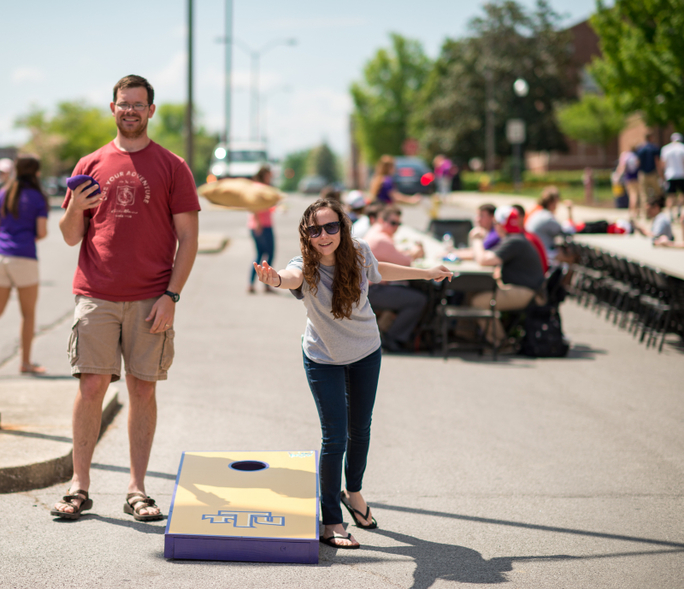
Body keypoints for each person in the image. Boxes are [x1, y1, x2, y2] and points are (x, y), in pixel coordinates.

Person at [253, 198, 452, 549]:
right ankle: (331, 521)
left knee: (361, 428)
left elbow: (380, 271)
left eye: (332, 227)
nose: (324, 235)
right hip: (323, 357)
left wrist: (427, 273)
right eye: (316, 230)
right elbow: (290, 278)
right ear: (307, 235)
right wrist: (273, 279)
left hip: (365, 351)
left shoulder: (359, 252)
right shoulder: (305, 266)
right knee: (335, 437)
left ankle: (354, 493)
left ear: (343, 229)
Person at [51, 75, 200, 521]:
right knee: (91, 385)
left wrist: (172, 294)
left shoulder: (172, 166)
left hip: (150, 298)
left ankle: (137, 488)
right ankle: (80, 485)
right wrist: (76, 206)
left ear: (151, 110)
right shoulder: (91, 162)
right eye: (123, 103)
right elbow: (69, 235)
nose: (130, 110)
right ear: (112, 108)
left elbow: (188, 239)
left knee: (142, 388)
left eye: (138, 104)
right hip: (95, 294)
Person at [0, 155, 49, 374]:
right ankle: (26, 363)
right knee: (28, 314)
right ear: (37, 173)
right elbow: (41, 232)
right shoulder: (38, 197)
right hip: (24, 257)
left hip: (1, 256)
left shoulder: (3, 193)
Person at [470, 205, 545, 345]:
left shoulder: (514, 241)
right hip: (525, 289)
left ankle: (500, 342)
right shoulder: (515, 238)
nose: (495, 227)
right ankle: (466, 335)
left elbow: (484, 260)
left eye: (496, 223)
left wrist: (476, 239)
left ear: (501, 225)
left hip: (527, 292)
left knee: (477, 302)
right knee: (473, 293)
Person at [365, 205, 428, 352]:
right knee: (418, 300)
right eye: (393, 223)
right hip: (373, 290)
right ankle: (393, 337)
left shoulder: (375, 234)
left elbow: (395, 256)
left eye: (398, 224)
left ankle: (393, 334)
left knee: (412, 295)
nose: (396, 227)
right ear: (381, 220)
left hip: (371, 288)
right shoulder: (382, 239)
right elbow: (405, 262)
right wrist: (415, 252)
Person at [525, 186, 575, 264]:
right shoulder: (547, 217)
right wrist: (569, 211)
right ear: (552, 203)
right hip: (542, 253)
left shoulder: (538, 213)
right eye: (557, 202)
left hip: (533, 251)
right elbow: (567, 231)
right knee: (572, 257)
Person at [247, 165, 276, 294]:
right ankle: (262, 284)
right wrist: (258, 223)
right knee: (267, 253)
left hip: (262, 224)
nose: (271, 177)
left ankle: (253, 283)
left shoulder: (262, 187)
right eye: (270, 175)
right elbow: (253, 206)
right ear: (265, 175)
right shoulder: (260, 188)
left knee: (262, 254)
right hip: (261, 225)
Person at [512, 203, 549, 274]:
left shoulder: (527, 238)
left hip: (533, 280)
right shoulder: (521, 236)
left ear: (522, 217)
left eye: (514, 217)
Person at [659, 132, 684, 221]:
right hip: (681, 174)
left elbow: (663, 164)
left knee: (670, 196)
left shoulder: (666, 149)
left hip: (670, 175)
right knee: (681, 194)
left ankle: (670, 214)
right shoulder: (682, 148)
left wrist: (662, 176)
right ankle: (679, 209)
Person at [615, 148, 641, 218]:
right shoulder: (634, 156)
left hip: (629, 178)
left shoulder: (626, 157)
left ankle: (631, 212)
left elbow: (622, 168)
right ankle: (636, 211)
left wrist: (618, 177)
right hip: (636, 177)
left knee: (632, 196)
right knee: (636, 195)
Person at [636, 132, 662, 201]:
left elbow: (637, 162)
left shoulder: (640, 149)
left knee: (644, 194)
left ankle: (645, 210)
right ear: (650, 138)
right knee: (657, 193)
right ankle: (656, 208)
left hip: (643, 173)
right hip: (653, 173)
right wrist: (661, 174)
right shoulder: (654, 148)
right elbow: (657, 162)